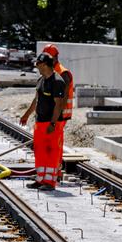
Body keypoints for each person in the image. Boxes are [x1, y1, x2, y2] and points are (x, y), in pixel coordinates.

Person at [20, 53, 66, 191]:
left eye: (38, 64)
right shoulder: (41, 80)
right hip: (40, 122)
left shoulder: (57, 81)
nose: (36, 66)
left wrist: (52, 123)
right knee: (40, 151)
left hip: (52, 124)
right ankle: (40, 179)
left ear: (44, 64)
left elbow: (59, 105)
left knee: (51, 151)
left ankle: (50, 181)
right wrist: (26, 115)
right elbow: (37, 100)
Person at [43, 43, 73, 180]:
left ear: (55, 57)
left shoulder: (63, 73)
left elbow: (63, 98)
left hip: (59, 115)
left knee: (55, 143)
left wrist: (55, 118)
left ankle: (56, 172)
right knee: (51, 142)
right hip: (52, 114)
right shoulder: (49, 72)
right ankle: (53, 171)